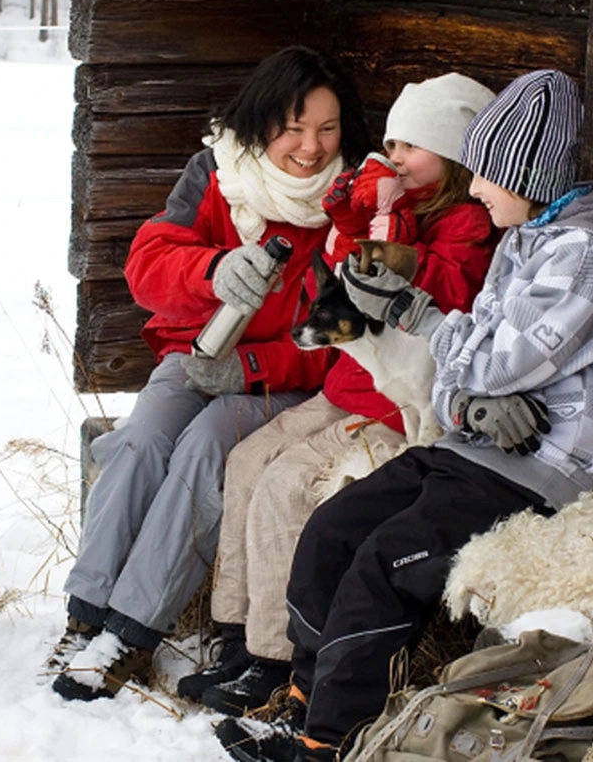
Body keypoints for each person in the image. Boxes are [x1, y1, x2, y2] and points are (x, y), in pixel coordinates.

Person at [215, 69, 593, 762]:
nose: (476, 186)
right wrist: (466, 389)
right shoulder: (526, 240)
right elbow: (457, 375)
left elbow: (485, 362)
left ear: (525, 174)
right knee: (332, 530)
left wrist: (435, 335)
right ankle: (307, 696)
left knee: (386, 562)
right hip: (475, 446)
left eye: (486, 173)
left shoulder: (585, 261)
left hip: (545, 467)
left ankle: (330, 740)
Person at [50, 46, 373, 701]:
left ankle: (130, 632)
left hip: (286, 378)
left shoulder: (354, 200)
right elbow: (149, 264)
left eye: (327, 129)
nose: (310, 148)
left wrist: (252, 364)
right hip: (197, 354)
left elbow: (345, 338)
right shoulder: (219, 171)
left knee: (204, 449)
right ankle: (84, 612)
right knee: (142, 438)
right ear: (261, 123)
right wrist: (212, 270)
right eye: (293, 127)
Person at [175, 74, 500, 715]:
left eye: (412, 145)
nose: (396, 157)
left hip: (397, 400)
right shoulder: (388, 206)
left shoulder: (464, 222)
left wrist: (393, 242)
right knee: (246, 463)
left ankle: (276, 657)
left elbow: (445, 294)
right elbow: (344, 268)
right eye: (392, 143)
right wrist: (355, 212)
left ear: (455, 152)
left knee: (286, 487)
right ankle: (238, 633)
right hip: (348, 383)